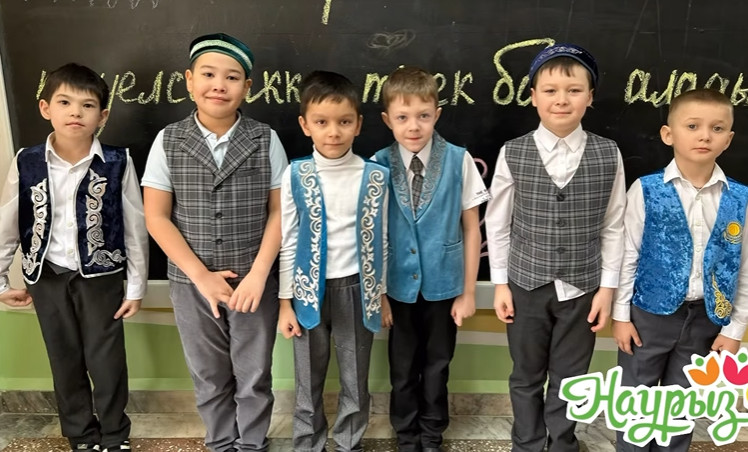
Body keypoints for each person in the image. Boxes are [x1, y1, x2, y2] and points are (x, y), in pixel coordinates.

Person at [141, 33, 288, 452]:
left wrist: (259, 274)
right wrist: (201, 276)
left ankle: (252, 443)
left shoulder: (265, 138)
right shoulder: (169, 140)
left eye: (232, 77)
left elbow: (280, 212)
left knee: (254, 373)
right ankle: (220, 442)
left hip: (253, 278)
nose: (219, 85)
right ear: (189, 81)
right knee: (207, 373)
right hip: (191, 282)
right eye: (208, 74)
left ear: (248, 86)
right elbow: (156, 216)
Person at [485, 43, 627, 452]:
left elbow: (614, 226)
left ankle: (563, 442)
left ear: (590, 96)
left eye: (574, 90)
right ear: (533, 96)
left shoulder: (608, 153)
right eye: (550, 90)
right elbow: (498, 223)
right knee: (526, 375)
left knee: (571, 377)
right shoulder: (513, 151)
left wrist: (607, 289)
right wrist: (500, 284)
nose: (561, 99)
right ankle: (528, 443)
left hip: (583, 290)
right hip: (525, 285)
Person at [0, 62, 148, 452]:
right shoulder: (27, 160)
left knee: (107, 359)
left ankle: (114, 433)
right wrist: (0, 281)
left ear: (103, 115)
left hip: (101, 276)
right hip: (46, 276)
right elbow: (8, 223)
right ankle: (81, 434)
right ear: (45, 107)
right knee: (63, 358)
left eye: (87, 105)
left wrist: (136, 287)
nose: (75, 112)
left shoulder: (118, 161)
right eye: (65, 102)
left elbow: (135, 228)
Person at [611, 88, 748, 452]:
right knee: (636, 400)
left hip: (706, 320)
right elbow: (627, 255)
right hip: (648, 318)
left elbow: (744, 269)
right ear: (668, 134)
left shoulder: (741, 199)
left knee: (682, 404)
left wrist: (734, 329)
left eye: (717, 128)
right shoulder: (646, 190)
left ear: (728, 139)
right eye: (693, 126)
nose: (705, 136)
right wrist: (620, 316)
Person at [373, 66, 490, 452]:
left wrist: (468, 292)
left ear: (437, 115)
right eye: (403, 117)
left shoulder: (458, 160)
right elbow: (372, 236)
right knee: (403, 367)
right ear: (387, 120)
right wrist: (380, 294)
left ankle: (432, 434)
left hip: (445, 286)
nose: (414, 126)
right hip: (397, 289)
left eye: (423, 115)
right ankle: (406, 436)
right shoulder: (377, 164)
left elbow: (472, 228)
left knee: (438, 365)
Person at [277, 70, 389, 452]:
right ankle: (308, 443)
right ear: (305, 125)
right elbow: (289, 240)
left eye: (344, 122)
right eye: (322, 122)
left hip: (358, 288)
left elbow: (382, 240)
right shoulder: (295, 174)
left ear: (358, 124)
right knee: (307, 377)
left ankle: (348, 443)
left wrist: (381, 294)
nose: (333, 132)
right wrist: (285, 302)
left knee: (355, 377)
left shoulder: (375, 176)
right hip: (308, 290)